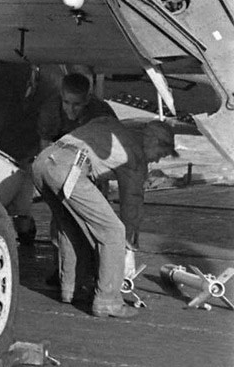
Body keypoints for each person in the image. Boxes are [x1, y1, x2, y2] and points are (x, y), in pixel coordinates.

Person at [32, 117, 177, 318]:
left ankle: (71, 289)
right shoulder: (135, 155)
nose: (157, 161)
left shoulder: (112, 126)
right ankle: (108, 301)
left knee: (70, 226)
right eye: (160, 154)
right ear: (152, 141)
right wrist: (129, 249)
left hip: (42, 161)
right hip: (69, 169)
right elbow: (131, 203)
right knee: (113, 231)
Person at [37, 71, 116, 150]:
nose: (71, 109)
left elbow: (116, 139)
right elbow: (45, 143)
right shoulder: (50, 111)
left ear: (87, 99)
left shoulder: (101, 111)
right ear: (61, 96)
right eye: (66, 102)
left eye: (77, 104)